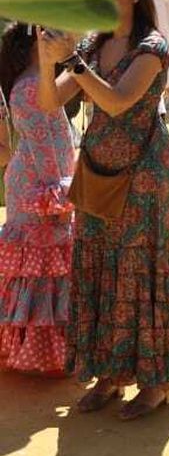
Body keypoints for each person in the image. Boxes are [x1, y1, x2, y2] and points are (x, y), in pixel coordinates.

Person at [37, 0, 169, 419]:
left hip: (144, 174)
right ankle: (108, 375)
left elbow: (118, 101)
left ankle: (156, 382)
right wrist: (49, 64)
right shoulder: (93, 43)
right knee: (100, 264)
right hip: (101, 166)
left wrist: (72, 62)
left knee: (140, 267)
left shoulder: (151, 47)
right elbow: (51, 103)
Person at [0, 23, 76, 375]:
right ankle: (47, 355)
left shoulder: (34, 83)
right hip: (38, 187)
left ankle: (43, 353)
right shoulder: (29, 88)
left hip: (37, 185)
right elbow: (44, 147)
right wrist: (57, 195)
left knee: (39, 265)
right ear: (37, 46)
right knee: (43, 263)